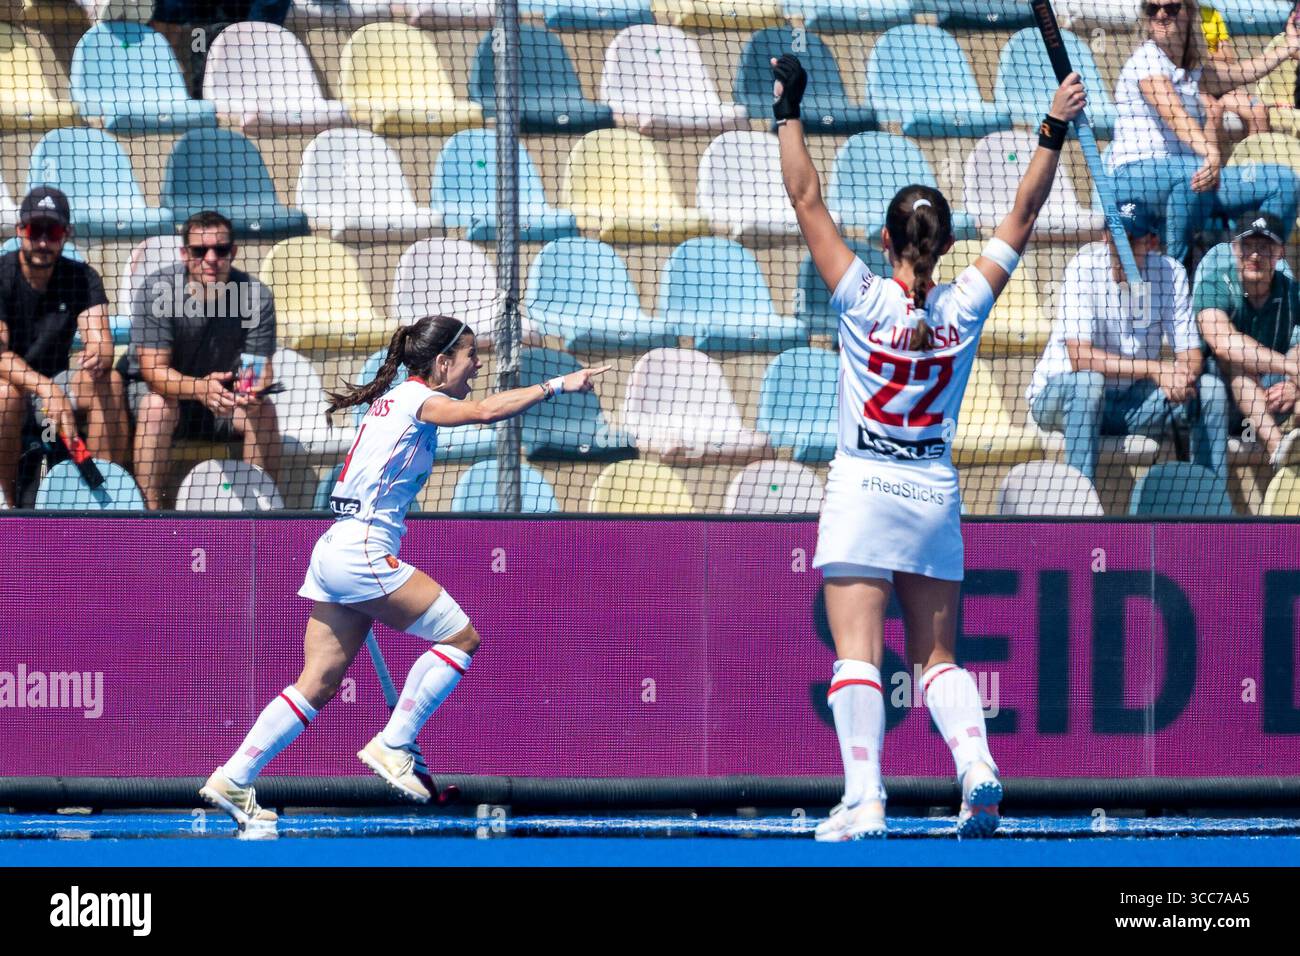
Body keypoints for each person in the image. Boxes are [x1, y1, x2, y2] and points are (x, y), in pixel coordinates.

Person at [774, 54, 1085, 839]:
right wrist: (1053, 125)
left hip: (863, 484)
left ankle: (865, 798)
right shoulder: (966, 304)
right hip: (931, 492)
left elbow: (805, 196)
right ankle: (976, 767)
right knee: (937, 656)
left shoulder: (860, 295)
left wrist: (787, 109)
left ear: (886, 239)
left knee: (856, 650)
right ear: (944, 246)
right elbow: (1022, 214)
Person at [198, 314, 609, 838]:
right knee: (460, 636)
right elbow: (484, 412)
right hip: (363, 549)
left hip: (333, 549)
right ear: (442, 363)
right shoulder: (417, 398)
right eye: (468, 357)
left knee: (319, 681)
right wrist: (557, 384)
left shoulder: (390, 399)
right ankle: (394, 743)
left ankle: (234, 777)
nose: (476, 365)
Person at [1027, 199, 1229, 490]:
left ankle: (1211, 510)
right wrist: (1155, 369)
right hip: (1063, 397)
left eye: (1131, 239)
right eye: (1116, 236)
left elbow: (1191, 355)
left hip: (1133, 403)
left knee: (1210, 391)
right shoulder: (1083, 268)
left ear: (1151, 242)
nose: (1121, 247)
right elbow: (1079, 358)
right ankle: (1079, 515)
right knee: (1088, 384)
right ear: (1105, 236)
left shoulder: (1169, 273)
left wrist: (1181, 376)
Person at [1108, 0, 1300, 265]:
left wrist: (1287, 48)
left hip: (1194, 177)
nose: (1162, 15)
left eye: (1171, 8)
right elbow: (1174, 114)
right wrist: (1210, 152)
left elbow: (1243, 72)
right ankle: (1177, 277)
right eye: (1153, 9)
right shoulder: (1146, 59)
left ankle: (1253, 269)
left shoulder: (1191, 69)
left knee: (1284, 181)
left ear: (1190, 12)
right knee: (1193, 173)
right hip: (1137, 176)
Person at [118, 210, 280, 510]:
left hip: (221, 401)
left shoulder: (255, 296)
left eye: (220, 249)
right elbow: (154, 372)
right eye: (199, 250)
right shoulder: (158, 291)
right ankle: (150, 517)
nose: (210, 258)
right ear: (184, 253)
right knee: (157, 407)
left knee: (264, 410)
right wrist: (199, 389)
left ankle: (263, 519)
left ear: (233, 251)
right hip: (162, 399)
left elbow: (257, 369)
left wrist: (248, 392)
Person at [0, 186, 128, 507]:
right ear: (20, 231)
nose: (43, 241)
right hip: (14, 384)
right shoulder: (1, 275)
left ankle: (100, 503)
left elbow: (100, 338)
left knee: (108, 381)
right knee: (5, 395)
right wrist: (46, 389)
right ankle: (7, 504)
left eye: (53, 231)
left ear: (66, 234)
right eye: (35, 230)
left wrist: (99, 355)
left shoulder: (82, 278)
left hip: (59, 380)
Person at [1194, 210, 1300, 467]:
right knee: (1234, 362)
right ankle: (1279, 449)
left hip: (1275, 397)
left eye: (1265, 248)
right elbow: (1223, 342)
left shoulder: (1291, 292)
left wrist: (1295, 386)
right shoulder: (1214, 285)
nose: (1255, 255)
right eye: (1248, 246)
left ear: (1279, 253)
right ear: (1234, 249)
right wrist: (1290, 367)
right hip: (1221, 403)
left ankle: (1295, 447)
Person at [1199, 1, 1271, 138]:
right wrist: (1211, 56)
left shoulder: (1211, 11)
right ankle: (1217, 159)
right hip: (1196, 86)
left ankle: (1255, 159)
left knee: (1259, 110)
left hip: (1221, 84)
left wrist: (1202, 54)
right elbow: (1188, 58)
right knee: (1213, 111)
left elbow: (1228, 57)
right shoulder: (1177, 12)